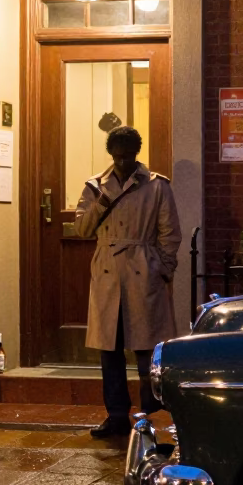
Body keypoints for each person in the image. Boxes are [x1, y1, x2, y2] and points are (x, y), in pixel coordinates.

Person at [73, 125, 182, 438]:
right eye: (117, 156)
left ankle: (150, 412)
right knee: (110, 350)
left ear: (137, 154)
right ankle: (117, 414)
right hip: (108, 275)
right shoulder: (95, 187)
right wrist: (104, 201)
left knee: (147, 349)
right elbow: (81, 229)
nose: (122, 162)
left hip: (143, 272)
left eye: (128, 156)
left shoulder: (157, 186)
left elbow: (170, 233)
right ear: (111, 154)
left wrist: (162, 267)